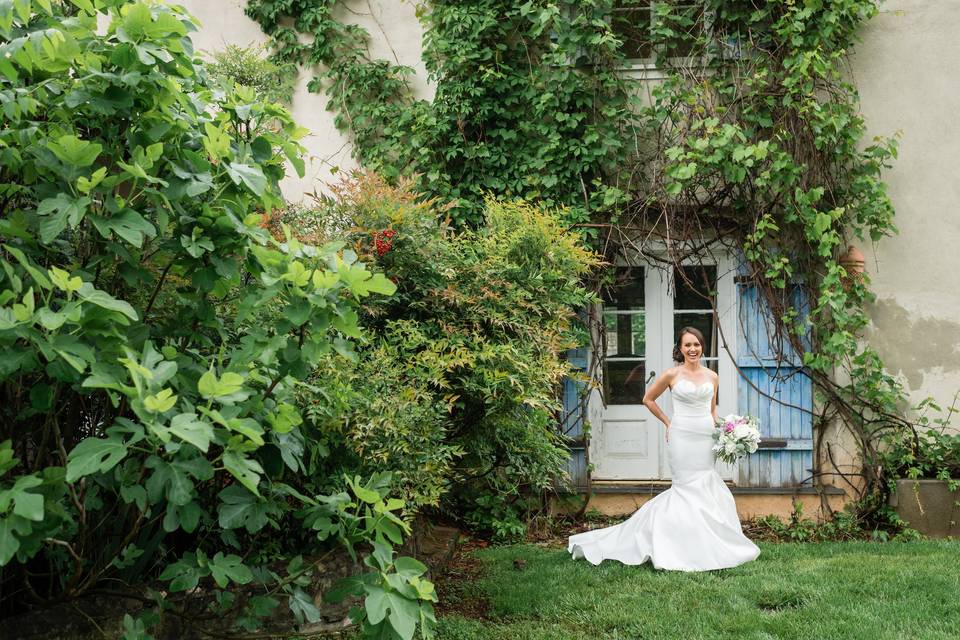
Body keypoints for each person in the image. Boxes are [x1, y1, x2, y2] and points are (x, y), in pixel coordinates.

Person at [567, 326, 760, 571]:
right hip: (681, 437)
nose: (693, 349)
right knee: (685, 489)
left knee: (705, 486)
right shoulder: (671, 375)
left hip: (705, 438)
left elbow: (712, 410)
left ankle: (704, 545)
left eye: (697, 344)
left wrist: (728, 432)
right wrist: (668, 422)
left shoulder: (712, 376)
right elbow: (647, 399)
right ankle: (673, 545)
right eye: (687, 345)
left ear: (702, 347)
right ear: (679, 348)